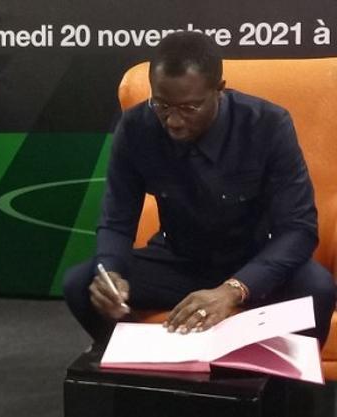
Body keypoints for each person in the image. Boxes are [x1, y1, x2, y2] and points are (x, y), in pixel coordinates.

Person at [63, 31, 336, 349]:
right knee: (81, 284)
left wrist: (234, 290)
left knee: (317, 289)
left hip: (252, 261)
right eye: (161, 104)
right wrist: (111, 273)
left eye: (189, 107)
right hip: (178, 260)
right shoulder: (137, 128)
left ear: (218, 91)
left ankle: (282, 378)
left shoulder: (268, 125)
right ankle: (145, 362)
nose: (173, 121)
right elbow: (116, 221)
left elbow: (299, 230)